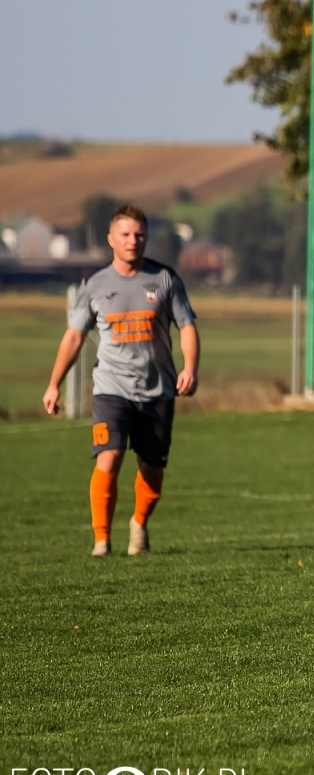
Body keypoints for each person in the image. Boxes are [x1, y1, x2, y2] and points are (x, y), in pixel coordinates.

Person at [43, 204, 199, 557]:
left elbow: (187, 325)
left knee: (152, 469)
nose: (133, 241)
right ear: (110, 239)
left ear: (146, 238)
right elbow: (73, 337)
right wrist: (54, 384)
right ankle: (101, 540)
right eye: (126, 235)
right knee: (109, 457)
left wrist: (190, 367)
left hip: (158, 390)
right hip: (111, 388)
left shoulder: (165, 280)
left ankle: (139, 523)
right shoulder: (95, 285)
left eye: (139, 235)